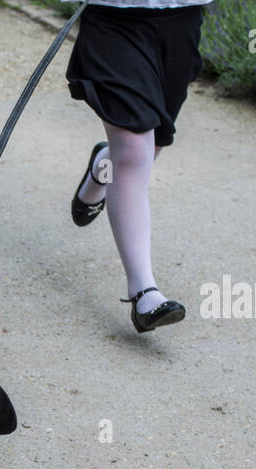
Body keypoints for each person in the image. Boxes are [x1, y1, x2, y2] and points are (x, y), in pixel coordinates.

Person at [66, 0, 213, 333]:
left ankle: (104, 166)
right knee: (134, 150)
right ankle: (144, 292)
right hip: (113, 17)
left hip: (181, 15)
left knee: (153, 143)